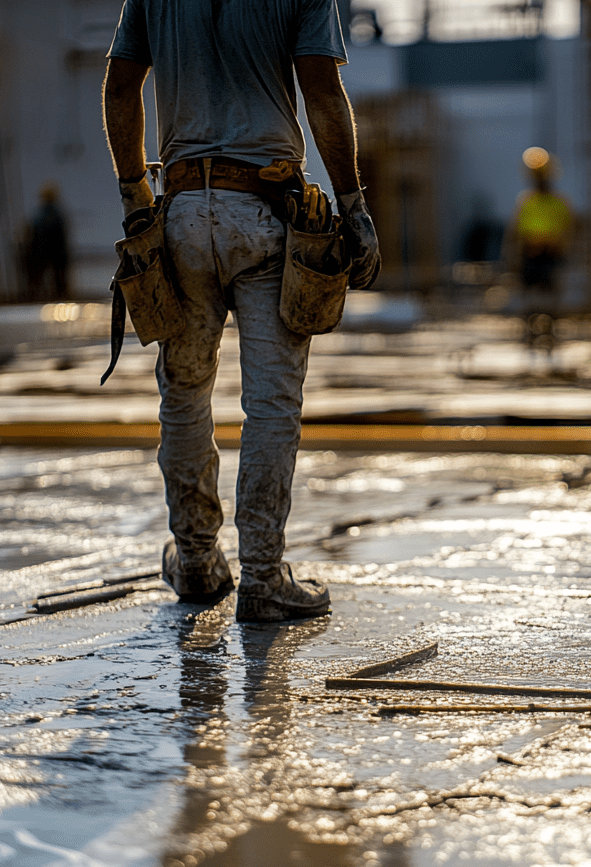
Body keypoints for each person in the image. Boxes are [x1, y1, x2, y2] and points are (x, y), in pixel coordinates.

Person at [103, 0, 380, 623]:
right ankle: (262, 577)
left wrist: (133, 195)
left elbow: (121, 86)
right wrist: (354, 208)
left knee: (184, 394)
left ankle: (197, 561)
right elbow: (321, 89)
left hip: (179, 212)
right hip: (265, 209)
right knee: (272, 404)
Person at [507, 147, 573, 359]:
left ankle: (550, 331)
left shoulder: (558, 203)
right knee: (531, 298)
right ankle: (530, 332)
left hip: (551, 255)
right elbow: (516, 232)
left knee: (550, 297)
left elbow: (568, 229)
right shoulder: (526, 202)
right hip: (530, 254)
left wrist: (559, 246)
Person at [26, 183, 70, 301]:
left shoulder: (41, 215)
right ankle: (58, 295)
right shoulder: (56, 213)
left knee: (46, 276)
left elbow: (35, 233)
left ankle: (41, 295)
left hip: (44, 250)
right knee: (58, 276)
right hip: (55, 251)